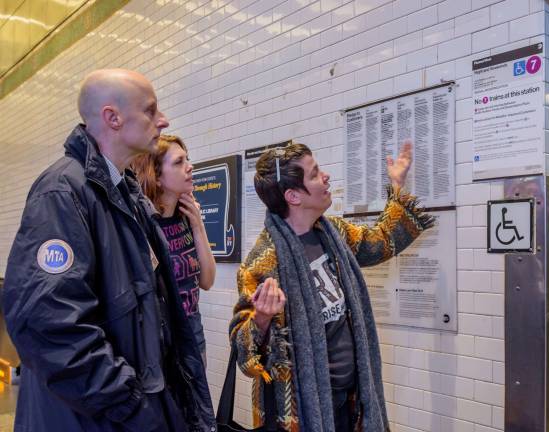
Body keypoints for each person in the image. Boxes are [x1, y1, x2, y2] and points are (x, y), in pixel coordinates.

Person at [2, 69, 217, 431]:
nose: (162, 120)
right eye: (150, 111)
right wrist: (131, 405)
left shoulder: (128, 196)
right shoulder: (62, 193)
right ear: (112, 118)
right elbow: (50, 326)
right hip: (94, 417)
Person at [229, 142, 435, 431]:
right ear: (293, 196)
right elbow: (245, 357)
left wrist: (397, 184)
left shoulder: (334, 233)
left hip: (350, 400)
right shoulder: (262, 264)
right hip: (301, 412)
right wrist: (262, 319)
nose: (325, 177)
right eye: (314, 174)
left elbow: (380, 243)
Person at [131, 134, 216, 365]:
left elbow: (207, 281)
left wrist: (198, 225)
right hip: (161, 347)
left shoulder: (188, 218)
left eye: (187, 159)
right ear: (156, 177)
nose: (190, 167)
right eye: (179, 162)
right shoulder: (143, 225)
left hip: (194, 340)